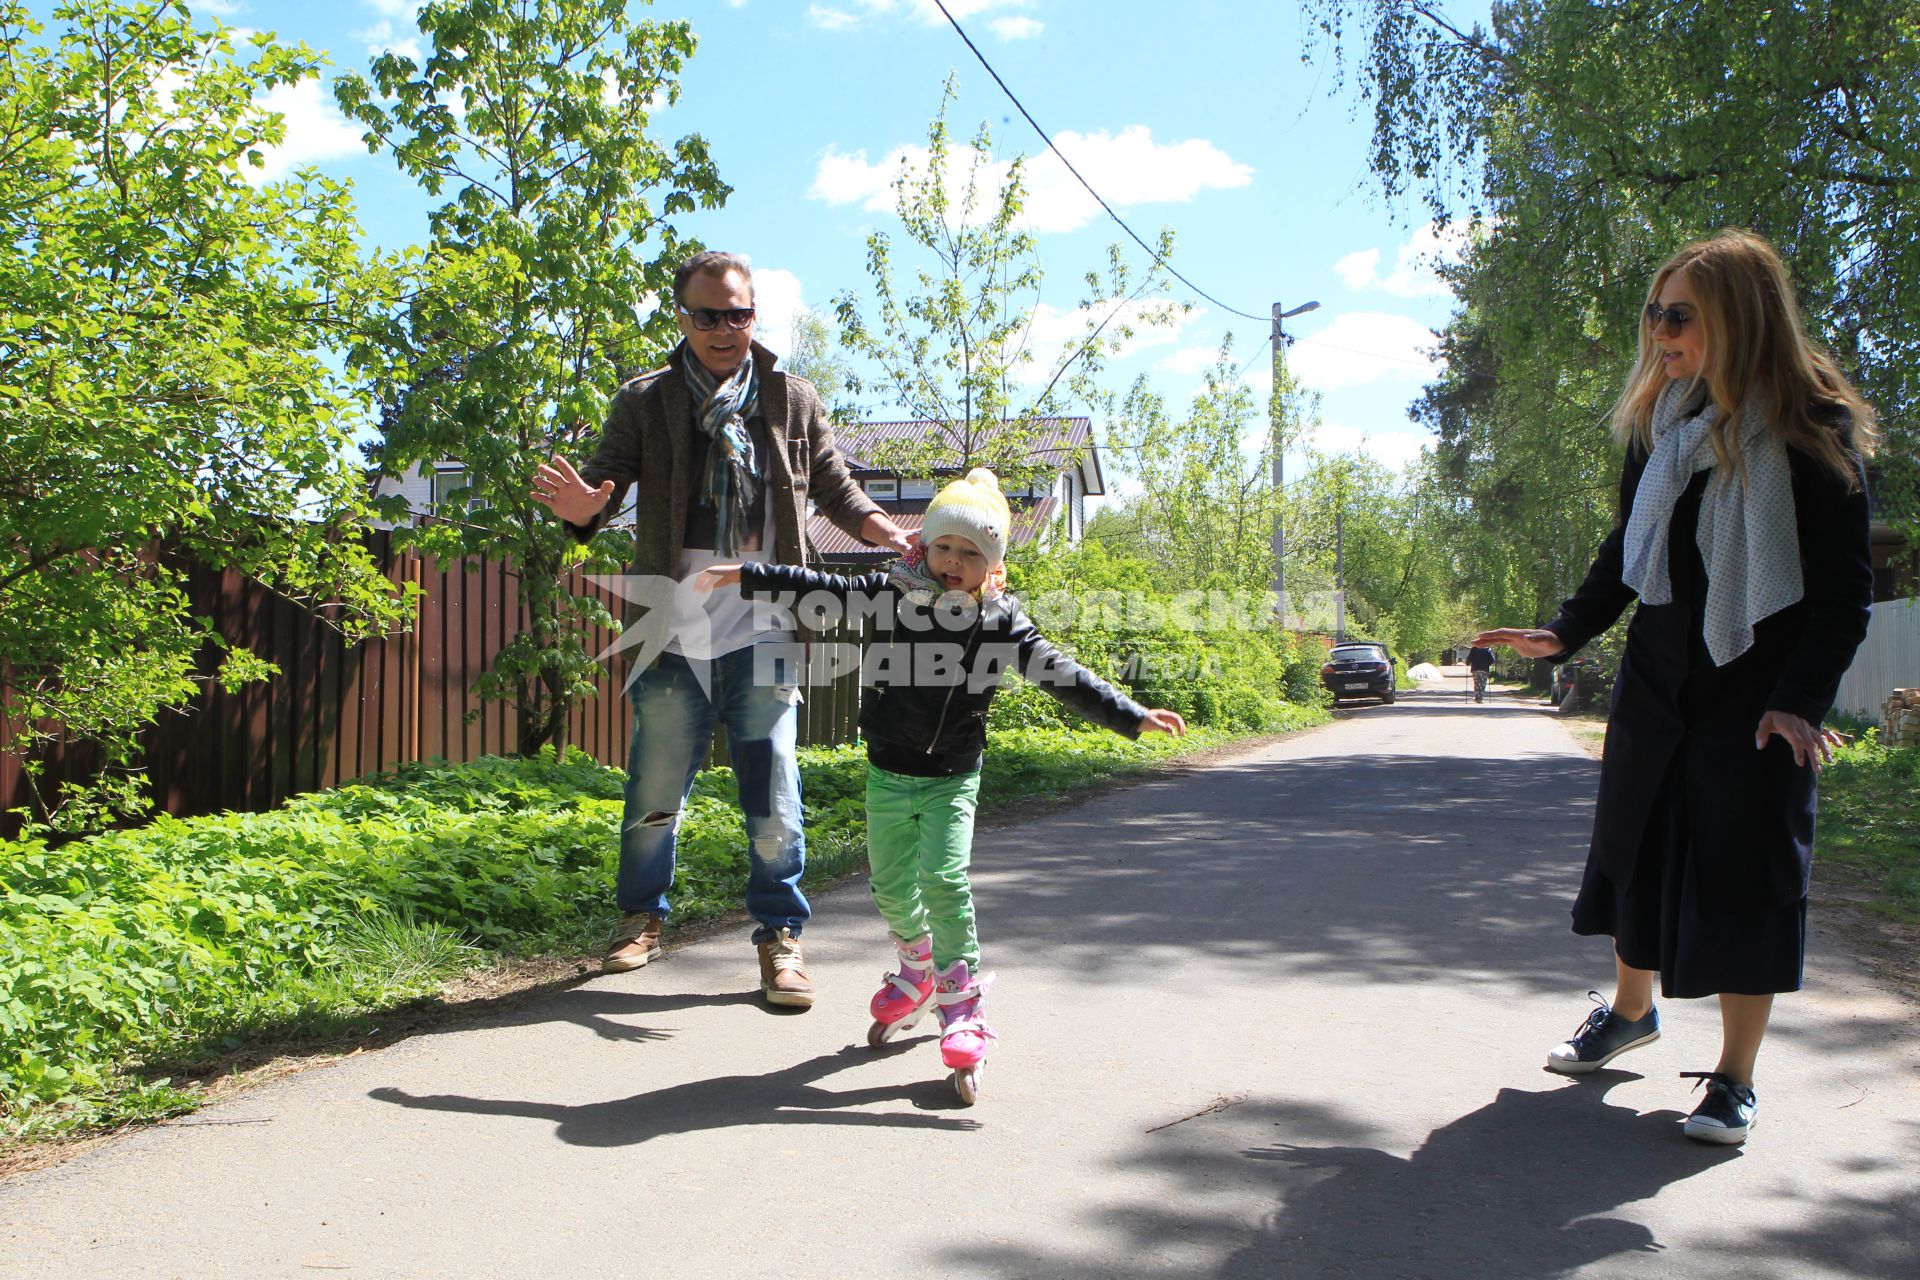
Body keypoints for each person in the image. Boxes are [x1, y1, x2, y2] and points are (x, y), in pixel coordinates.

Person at [1476, 229, 1875, 1145]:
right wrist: (1565, 629)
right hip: (1660, 676)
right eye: (1655, 313)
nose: (1660, 330)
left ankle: (1734, 1077)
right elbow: (1626, 548)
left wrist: (1799, 701)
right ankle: (1631, 1009)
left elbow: (1845, 592)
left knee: (1747, 872)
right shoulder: (1662, 421)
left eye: (1680, 315)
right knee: (1635, 844)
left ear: (1738, 317)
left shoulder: (1812, 427)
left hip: (1758, 693)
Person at [699, 469, 1187, 1102]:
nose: (954, 562)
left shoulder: (1002, 623)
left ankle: (963, 1001)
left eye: (971, 553)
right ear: (923, 547)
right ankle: (917, 967)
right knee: (891, 882)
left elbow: (1064, 675)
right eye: (944, 548)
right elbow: (820, 585)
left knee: (944, 880)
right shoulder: (890, 594)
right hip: (887, 770)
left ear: (992, 565)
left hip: (954, 776)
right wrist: (749, 574)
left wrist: (1131, 715)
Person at [530, 249, 911, 1007]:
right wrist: (586, 513)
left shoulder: (789, 397)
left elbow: (835, 487)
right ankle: (640, 918)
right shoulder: (648, 400)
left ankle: (780, 938)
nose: (724, 328)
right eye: (708, 315)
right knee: (654, 789)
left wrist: (885, 531)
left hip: (766, 625)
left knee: (774, 790)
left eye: (737, 313)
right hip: (673, 628)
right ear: (682, 318)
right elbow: (605, 480)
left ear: (753, 315)